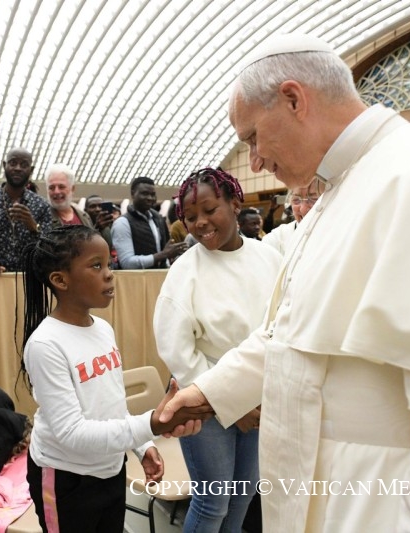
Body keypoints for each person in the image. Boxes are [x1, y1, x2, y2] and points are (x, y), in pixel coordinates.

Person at [160, 32, 410, 532]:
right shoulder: (332, 198)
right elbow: (288, 337)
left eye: (252, 137)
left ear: (294, 99)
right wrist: (209, 393)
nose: (255, 161)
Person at [18, 225, 211, 532]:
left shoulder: (103, 329)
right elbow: (72, 434)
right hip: (67, 478)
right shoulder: (46, 344)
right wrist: (153, 423)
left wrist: (142, 445)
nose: (110, 274)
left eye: (109, 263)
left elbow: (111, 404)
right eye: (97, 266)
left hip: (110, 469)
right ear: (60, 280)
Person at [154, 168, 282, 532]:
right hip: (202, 399)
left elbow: (278, 326)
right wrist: (226, 400)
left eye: (210, 210)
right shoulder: (184, 271)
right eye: (191, 217)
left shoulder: (269, 258)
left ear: (235, 203)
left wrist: (249, 396)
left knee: (243, 493)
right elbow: (176, 349)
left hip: (258, 395)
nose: (200, 223)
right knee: (213, 502)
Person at [111, 176, 187, 268]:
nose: (150, 198)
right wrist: (163, 255)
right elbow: (127, 263)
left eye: (153, 194)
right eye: (145, 194)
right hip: (135, 280)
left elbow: (166, 252)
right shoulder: (122, 223)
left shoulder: (158, 219)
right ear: (133, 193)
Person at [262, 180, 321, 255]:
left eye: (314, 199)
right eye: (296, 200)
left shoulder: (337, 236)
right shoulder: (276, 239)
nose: (302, 209)